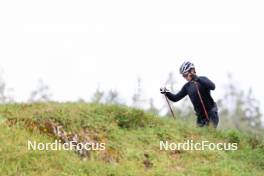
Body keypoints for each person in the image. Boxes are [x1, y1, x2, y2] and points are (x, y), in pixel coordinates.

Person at [160, 61, 219, 127]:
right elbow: (175, 98)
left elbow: (213, 86)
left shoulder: (202, 79)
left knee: (209, 135)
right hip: (200, 118)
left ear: (192, 71)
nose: (185, 77)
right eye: (183, 76)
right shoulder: (187, 87)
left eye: (185, 75)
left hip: (211, 114)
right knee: (198, 137)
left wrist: (197, 79)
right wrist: (166, 92)